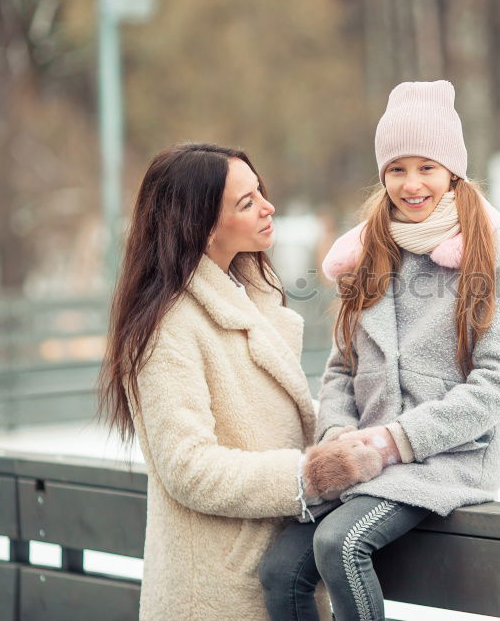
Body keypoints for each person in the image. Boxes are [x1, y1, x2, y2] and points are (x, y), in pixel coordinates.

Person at [259, 81, 500, 621]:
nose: (411, 184)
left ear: (452, 170)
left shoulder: (492, 253)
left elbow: (499, 383)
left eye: (426, 167)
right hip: (362, 464)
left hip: (445, 459)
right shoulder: (368, 251)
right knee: (280, 571)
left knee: (340, 544)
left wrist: (394, 442)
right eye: (397, 168)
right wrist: (338, 439)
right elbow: (342, 367)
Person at [97, 142, 381, 620]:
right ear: (203, 229)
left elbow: (271, 418)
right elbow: (188, 467)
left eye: (260, 192)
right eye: (247, 203)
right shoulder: (168, 328)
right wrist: (308, 475)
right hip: (214, 593)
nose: (268, 208)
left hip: (274, 571)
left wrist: (347, 433)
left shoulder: (248, 298)